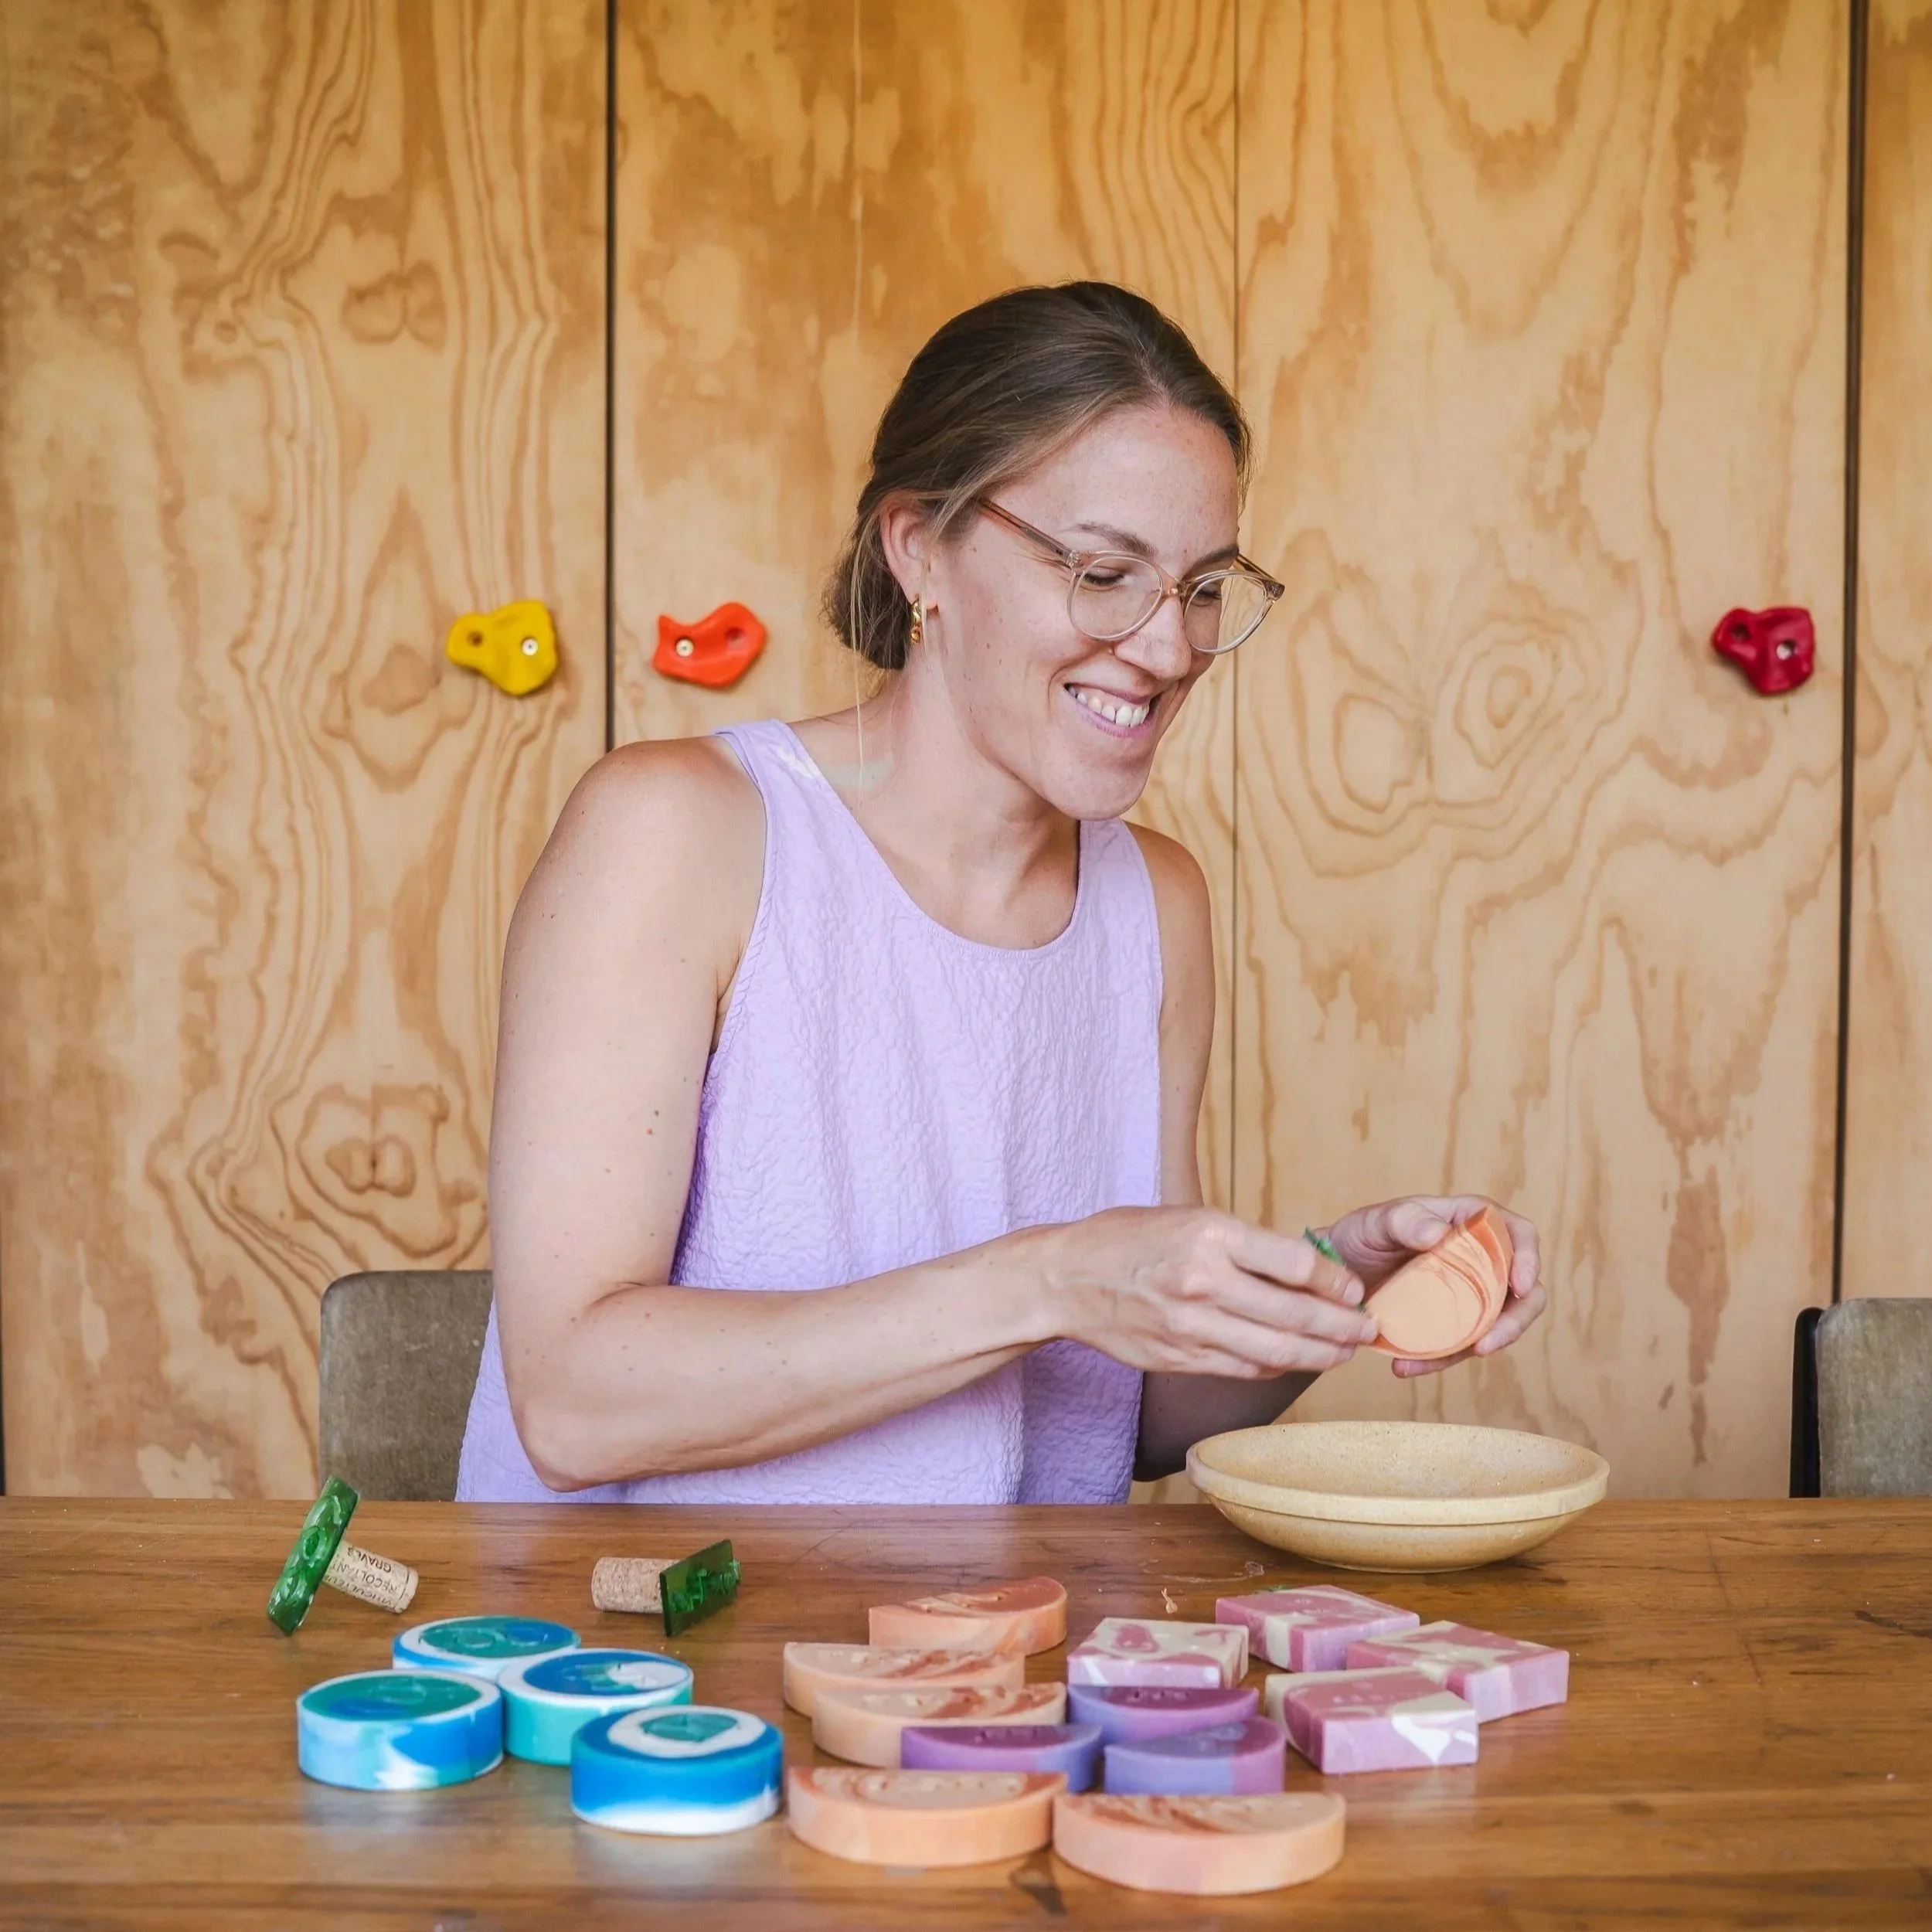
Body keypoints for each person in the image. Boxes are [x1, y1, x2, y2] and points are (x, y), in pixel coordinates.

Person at [456, 281, 1546, 1505]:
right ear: (918, 547)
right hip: (649, 1624)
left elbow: (1130, 1420)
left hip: (1007, 1626)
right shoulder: (675, 833)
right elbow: (575, 1405)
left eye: (1201, 588)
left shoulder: (1156, 905)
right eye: (1104, 571)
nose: (1170, 648)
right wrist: (1052, 1280)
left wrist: (1333, 1283)